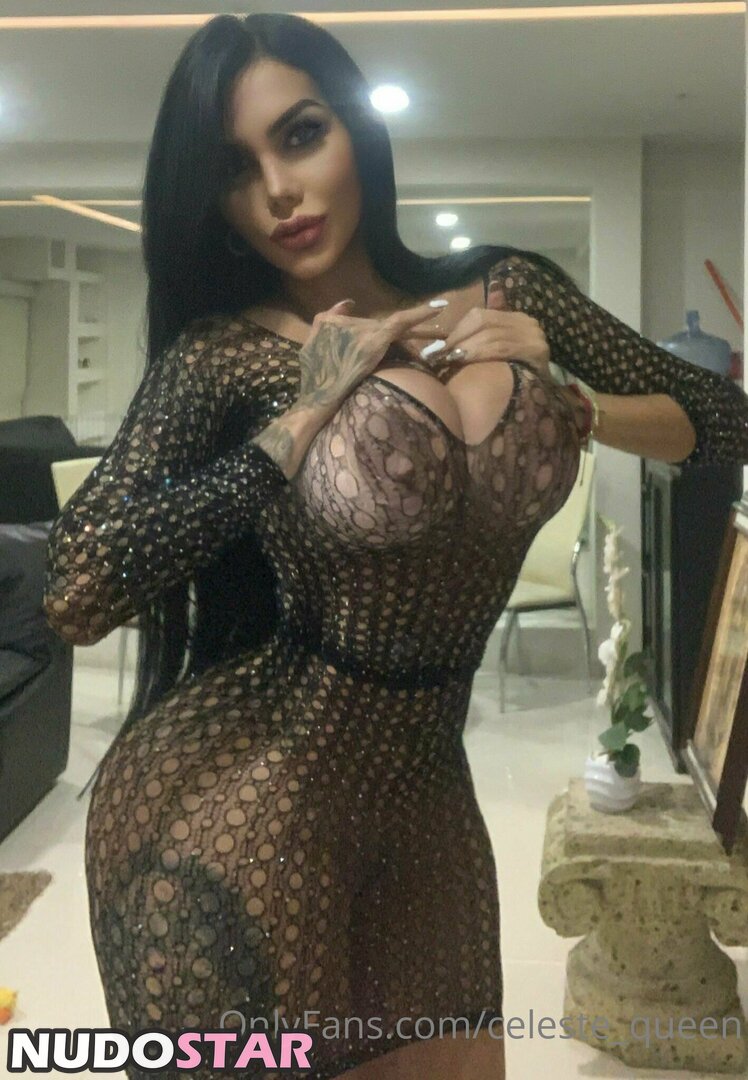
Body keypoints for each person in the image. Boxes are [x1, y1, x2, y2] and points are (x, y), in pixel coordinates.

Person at [43, 12, 748, 1080]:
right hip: (249, 801)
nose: (278, 191)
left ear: (356, 133)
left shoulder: (511, 288)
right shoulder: (223, 354)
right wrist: (300, 421)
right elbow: (76, 584)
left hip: (428, 789)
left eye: (300, 134)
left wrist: (576, 398)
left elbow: (725, 420)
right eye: (235, 170)